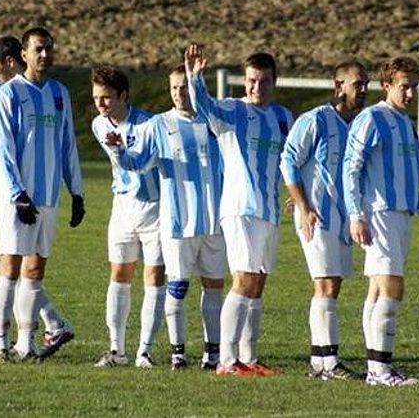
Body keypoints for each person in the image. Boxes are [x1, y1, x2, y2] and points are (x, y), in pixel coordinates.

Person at [106, 58, 226, 370]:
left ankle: (212, 354)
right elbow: (137, 163)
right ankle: (178, 353)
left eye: (184, 87)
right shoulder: (158, 125)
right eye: (174, 88)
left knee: (214, 286)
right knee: (178, 287)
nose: (179, 93)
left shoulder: (213, 121)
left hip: (214, 220)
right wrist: (119, 151)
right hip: (177, 223)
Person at [0, 35, 74, 362]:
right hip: (13, 192)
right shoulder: (2, 91)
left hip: (36, 191)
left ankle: (45, 327)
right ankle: (49, 324)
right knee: (10, 264)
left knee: (17, 265)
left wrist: (7, 58)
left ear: (11, 62)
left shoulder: (26, 91)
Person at [185, 45, 292, 376]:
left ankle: (249, 356)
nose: (255, 88)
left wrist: (294, 193)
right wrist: (194, 77)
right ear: (243, 81)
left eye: (262, 81)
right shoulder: (231, 111)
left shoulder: (283, 117)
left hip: (269, 210)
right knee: (243, 280)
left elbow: (289, 160)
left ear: (274, 82)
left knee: (258, 283)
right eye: (250, 81)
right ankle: (226, 360)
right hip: (240, 208)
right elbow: (202, 105)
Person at [0, 27, 85, 361]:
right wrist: (18, 194)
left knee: (35, 271)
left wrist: (77, 192)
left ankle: (26, 344)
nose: (44, 55)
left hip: (49, 198)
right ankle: (1, 344)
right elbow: (4, 152)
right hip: (19, 199)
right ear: (24, 56)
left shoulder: (60, 93)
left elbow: (67, 144)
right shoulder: (9, 94)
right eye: (38, 49)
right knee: (10, 268)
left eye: (48, 49)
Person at [343, 56, 419, 387]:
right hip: (379, 214)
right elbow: (350, 169)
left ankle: (375, 368)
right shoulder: (371, 119)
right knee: (392, 287)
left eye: (414, 87)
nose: (410, 93)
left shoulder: (407, 124)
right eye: (404, 87)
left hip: (402, 215)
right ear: (386, 86)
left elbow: (409, 178)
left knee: (376, 291)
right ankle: (380, 370)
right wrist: (356, 215)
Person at [281, 60, 369, 381]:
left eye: (365, 84)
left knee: (333, 285)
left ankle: (319, 361)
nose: (363, 90)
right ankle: (329, 362)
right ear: (338, 86)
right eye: (357, 84)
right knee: (325, 283)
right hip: (316, 216)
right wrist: (303, 205)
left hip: (345, 219)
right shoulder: (315, 120)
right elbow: (289, 161)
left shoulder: (360, 123)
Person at [89, 64, 165, 368]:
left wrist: (121, 153)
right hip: (122, 207)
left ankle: (144, 351)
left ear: (123, 95)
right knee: (119, 275)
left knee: (153, 278)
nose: (101, 103)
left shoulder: (149, 124)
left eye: (107, 97)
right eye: (97, 97)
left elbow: (143, 164)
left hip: (155, 208)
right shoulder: (98, 125)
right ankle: (116, 350)